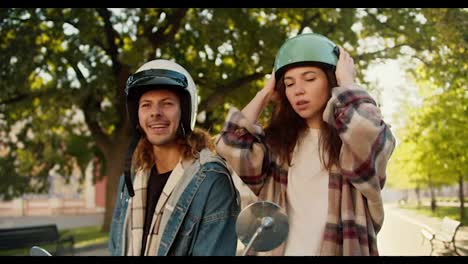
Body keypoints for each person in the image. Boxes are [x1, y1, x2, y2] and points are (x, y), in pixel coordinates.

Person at [215, 33, 396, 256]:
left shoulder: (351, 145)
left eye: (309, 79)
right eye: (289, 84)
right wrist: (265, 92)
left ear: (332, 80)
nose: (298, 90)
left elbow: (364, 128)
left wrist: (348, 83)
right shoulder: (278, 145)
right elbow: (230, 143)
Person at [108, 59, 240, 256]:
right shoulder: (130, 180)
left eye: (167, 104)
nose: (155, 113)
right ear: (137, 116)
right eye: (146, 105)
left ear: (185, 112)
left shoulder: (212, 180)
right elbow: (116, 248)